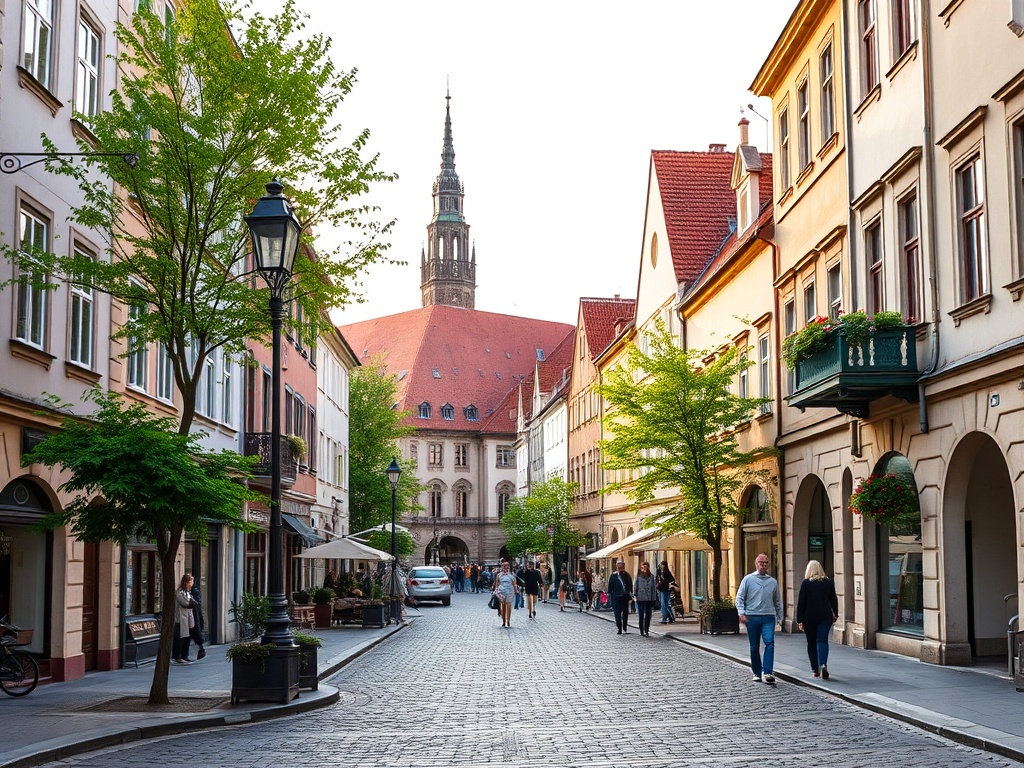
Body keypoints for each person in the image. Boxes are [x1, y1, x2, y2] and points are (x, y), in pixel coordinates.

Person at [736, 553, 784, 684]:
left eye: (765, 563)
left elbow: (778, 601)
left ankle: (767, 672)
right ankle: (756, 672)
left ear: (768, 565)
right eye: (760, 562)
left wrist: (780, 617)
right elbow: (739, 597)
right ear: (756, 564)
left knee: (769, 642)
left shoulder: (773, 582)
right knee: (754, 646)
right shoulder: (748, 580)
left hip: (768, 616)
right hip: (752, 616)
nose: (763, 565)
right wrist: (741, 613)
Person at [796, 559, 839, 680]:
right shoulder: (828, 582)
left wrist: (799, 620)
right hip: (825, 616)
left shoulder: (806, 583)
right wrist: (835, 613)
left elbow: (801, 603)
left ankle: (815, 670)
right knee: (822, 640)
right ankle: (823, 664)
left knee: (811, 643)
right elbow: (833, 599)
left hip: (809, 617)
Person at [173, 574, 199, 664]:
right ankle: (177, 656)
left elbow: (192, 602)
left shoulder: (187, 592)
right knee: (180, 638)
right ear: (186, 582)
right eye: (190, 582)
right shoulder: (179, 592)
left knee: (187, 638)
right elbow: (185, 603)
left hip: (187, 618)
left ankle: (185, 655)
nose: (191, 584)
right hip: (180, 619)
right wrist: (191, 603)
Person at [607, 559, 634, 634]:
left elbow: (630, 586)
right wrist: (610, 597)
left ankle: (624, 627)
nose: (621, 570)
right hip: (616, 598)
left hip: (624, 598)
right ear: (617, 567)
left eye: (622, 568)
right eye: (619, 568)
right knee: (617, 614)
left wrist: (630, 596)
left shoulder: (627, 575)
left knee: (625, 613)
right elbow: (610, 588)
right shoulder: (613, 576)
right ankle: (619, 627)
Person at [633, 561, 658, 636]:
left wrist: (654, 598)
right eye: (643, 567)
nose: (644, 569)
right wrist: (634, 595)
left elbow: (653, 588)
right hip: (640, 598)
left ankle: (646, 629)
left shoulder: (651, 576)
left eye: (646, 567)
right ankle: (641, 630)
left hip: (649, 599)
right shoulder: (638, 576)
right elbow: (635, 586)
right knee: (641, 615)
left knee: (648, 615)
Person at [493, 561, 519, 628]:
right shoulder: (499, 575)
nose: (505, 567)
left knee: (508, 604)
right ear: (501, 567)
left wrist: (516, 590)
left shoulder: (512, 575)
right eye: (504, 566)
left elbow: (514, 584)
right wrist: (496, 591)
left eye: (507, 566)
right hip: (501, 592)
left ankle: (508, 620)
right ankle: (504, 621)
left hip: (510, 591)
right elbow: (496, 584)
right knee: (503, 606)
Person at [189, 580, 207, 660]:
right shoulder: (194, 591)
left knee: (193, 633)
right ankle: (200, 649)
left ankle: (200, 649)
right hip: (193, 616)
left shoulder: (193, 592)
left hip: (192, 616)